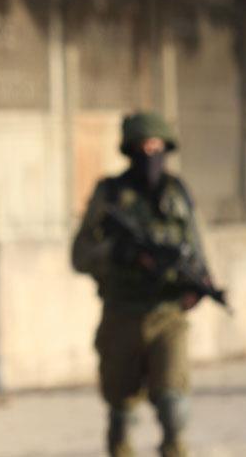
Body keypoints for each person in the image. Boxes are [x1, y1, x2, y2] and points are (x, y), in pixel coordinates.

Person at [71, 112, 214, 457]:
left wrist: (200, 283)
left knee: (174, 406)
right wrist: (117, 253)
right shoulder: (110, 193)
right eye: (143, 148)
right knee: (122, 413)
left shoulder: (177, 193)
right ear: (131, 150)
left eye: (157, 148)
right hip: (121, 314)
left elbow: (196, 249)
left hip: (168, 316)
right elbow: (80, 255)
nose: (151, 156)